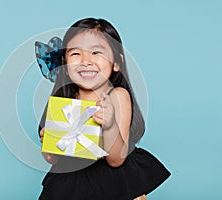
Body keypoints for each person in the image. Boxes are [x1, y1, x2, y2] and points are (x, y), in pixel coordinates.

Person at [37, 18, 170, 200]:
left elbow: (116, 160)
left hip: (114, 180)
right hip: (71, 180)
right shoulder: (63, 100)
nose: (86, 61)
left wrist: (109, 126)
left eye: (96, 52)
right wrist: (49, 144)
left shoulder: (117, 96)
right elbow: (54, 160)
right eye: (76, 54)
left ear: (116, 63)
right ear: (66, 66)